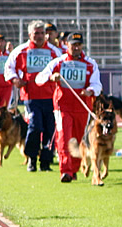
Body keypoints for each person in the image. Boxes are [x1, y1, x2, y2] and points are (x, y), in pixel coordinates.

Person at [35, 33, 102, 183]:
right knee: (64, 137)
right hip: (62, 107)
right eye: (73, 45)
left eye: (79, 44)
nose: (76, 48)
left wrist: (90, 90)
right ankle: (65, 170)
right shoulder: (57, 63)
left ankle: (74, 169)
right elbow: (39, 78)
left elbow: (97, 84)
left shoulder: (91, 64)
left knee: (78, 139)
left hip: (82, 107)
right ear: (67, 45)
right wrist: (51, 78)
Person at [5, 20, 62, 172]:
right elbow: (9, 68)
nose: (39, 36)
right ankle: (31, 159)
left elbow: (63, 66)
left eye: (42, 33)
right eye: (36, 33)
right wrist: (15, 79)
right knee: (35, 126)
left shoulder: (54, 52)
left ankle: (46, 161)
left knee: (50, 129)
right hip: (31, 97)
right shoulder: (21, 51)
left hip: (51, 97)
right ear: (30, 34)